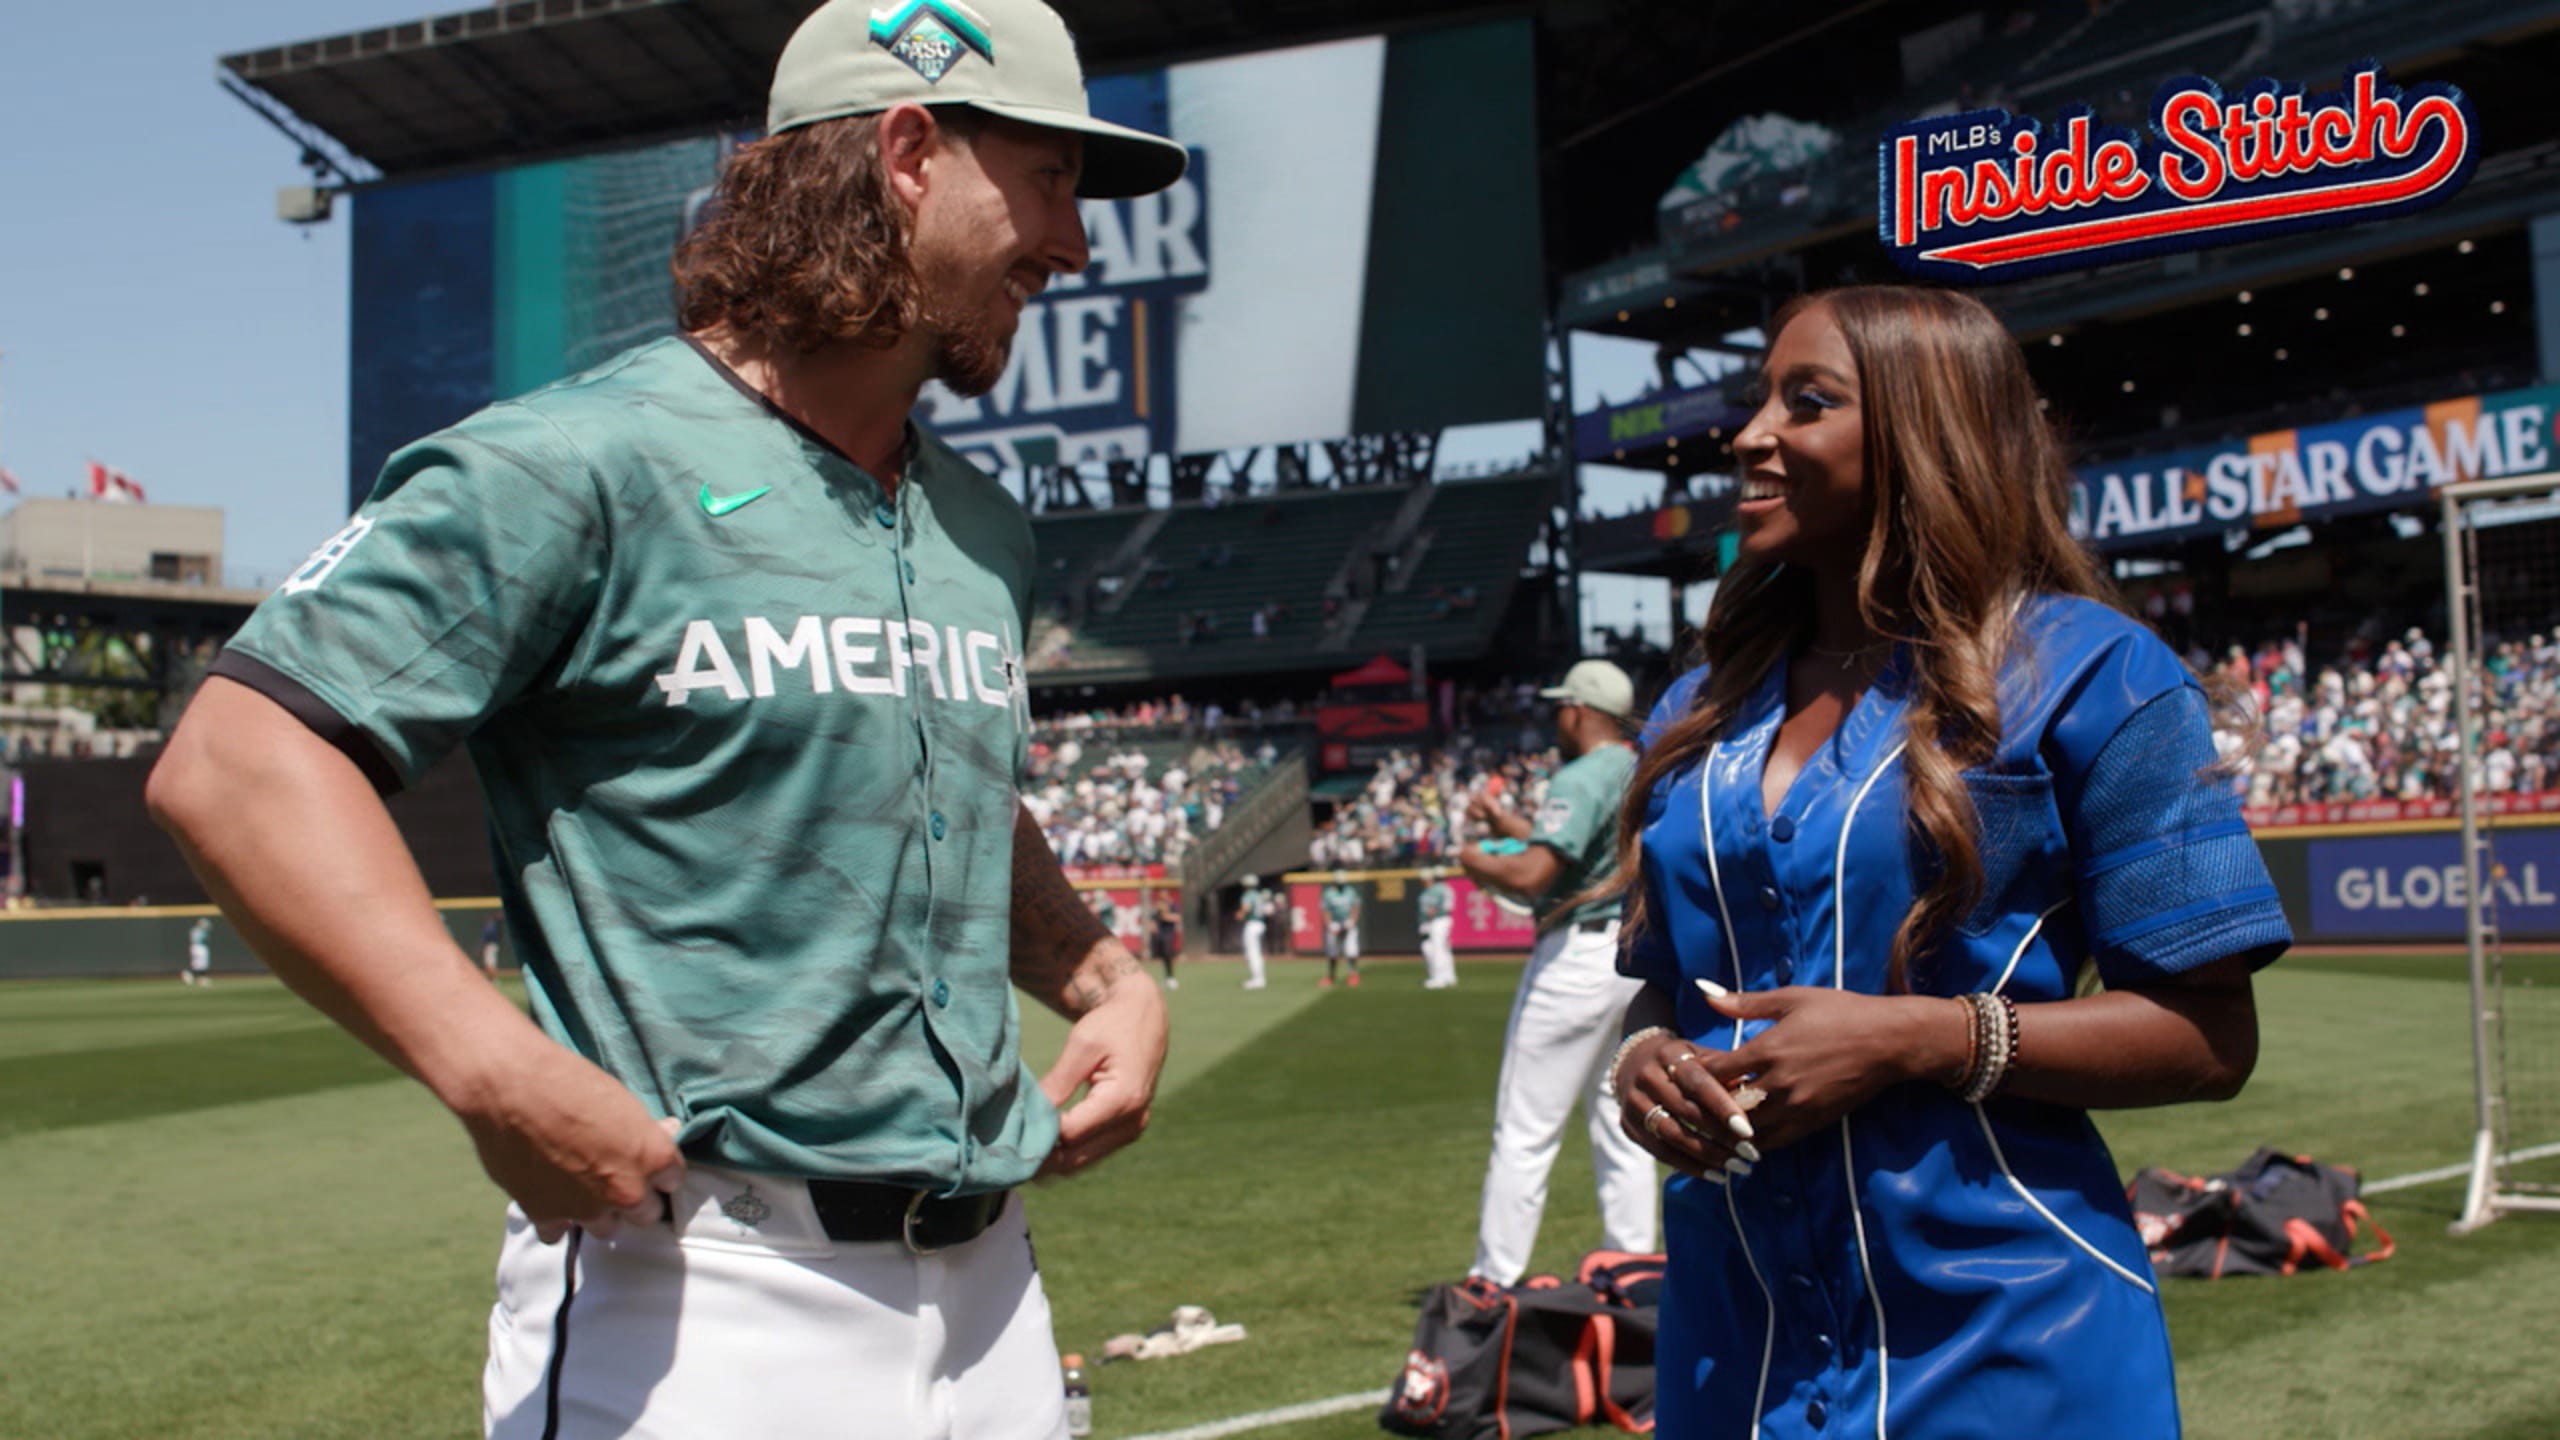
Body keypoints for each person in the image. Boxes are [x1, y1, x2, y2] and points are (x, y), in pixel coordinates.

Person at [145, 3, 1185, 1435]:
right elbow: (237, 759)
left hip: (995, 1291)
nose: (1072, 245)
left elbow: (943, 787)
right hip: (699, 1292)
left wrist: (1106, 978)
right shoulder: (571, 463)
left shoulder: (980, 524)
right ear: (906, 154)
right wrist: (489, 1065)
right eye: (1049, 182)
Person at [1597, 286, 2289, 1439]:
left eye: (1806, 402)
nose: (1751, 435)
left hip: (2009, 1347)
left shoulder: (2096, 675)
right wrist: (1645, 1063)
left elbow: (2212, 1038)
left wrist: (1921, 1038)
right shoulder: (1693, 713)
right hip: (1733, 1350)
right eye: (1760, 399)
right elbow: (1661, 991)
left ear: (1924, 433)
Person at [1457, 659, 1654, 1284]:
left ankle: (1494, 1279)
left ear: (1579, 711)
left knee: (1525, 1129)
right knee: (1619, 1122)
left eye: (1560, 707)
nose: (1555, 718)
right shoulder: (1636, 765)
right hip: (1629, 955)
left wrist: (1474, 859)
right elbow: (1576, 845)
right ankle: (1631, 1266)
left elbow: (1533, 874)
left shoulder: (1583, 772)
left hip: (1576, 956)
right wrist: (1507, 824)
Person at [1416, 866, 1457, 989]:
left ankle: (1439, 978)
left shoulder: (1436, 890)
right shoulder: (1446, 888)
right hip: (1443, 919)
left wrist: (1425, 922)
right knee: (1442, 949)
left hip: (1437, 921)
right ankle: (1449, 977)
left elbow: (1432, 910)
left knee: (1437, 950)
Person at [1320, 870, 1362, 988]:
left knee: (1351, 951)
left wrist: (1352, 921)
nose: (1340, 884)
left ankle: (1354, 974)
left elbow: (1356, 907)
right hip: (1334, 924)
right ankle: (1331, 975)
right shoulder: (1328, 893)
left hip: (1348, 923)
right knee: (1332, 953)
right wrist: (1330, 925)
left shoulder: (1350, 891)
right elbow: (1325, 910)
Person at [1236, 875, 1271, 990]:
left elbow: (1246, 907)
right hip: (1260, 924)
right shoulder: (1258, 895)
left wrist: (1240, 914)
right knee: (1256, 952)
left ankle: (1258, 979)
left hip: (1252, 924)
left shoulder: (1248, 895)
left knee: (1252, 953)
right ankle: (1258, 978)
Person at [1150, 891, 1181, 990]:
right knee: (1163, 956)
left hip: (1168, 934)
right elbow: (1153, 920)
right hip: (1160, 935)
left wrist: (1165, 914)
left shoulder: (1172, 906)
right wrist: (1153, 927)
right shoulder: (1157, 907)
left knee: (1168, 954)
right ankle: (1167, 978)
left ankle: (1171, 977)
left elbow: (1177, 918)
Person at [184, 916, 213, 987]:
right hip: (199, 946)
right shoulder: (199, 930)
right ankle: (194, 975)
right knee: (200, 963)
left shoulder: (195, 930)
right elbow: (203, 938)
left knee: (199, 964)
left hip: (196, 947)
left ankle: (198, 977)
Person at [479, 914, 503, 979]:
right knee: (490, 963)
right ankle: (492, 978)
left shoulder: (490, 926)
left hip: (490, 946)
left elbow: (486, 938)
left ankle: (493, 978)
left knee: (489, 964)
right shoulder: (495, 926)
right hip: (493, 946)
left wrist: (482, 947)